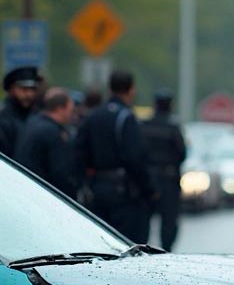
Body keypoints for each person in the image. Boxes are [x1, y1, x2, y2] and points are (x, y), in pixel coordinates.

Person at [76, 70, 156, 242]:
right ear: (131, 90)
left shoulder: (93, 116)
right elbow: (135, 158)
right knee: (128, 244)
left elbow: (80, 151)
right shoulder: (126, 117)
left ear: (110, 89)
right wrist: (149, 189)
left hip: (97, 190)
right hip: (124, 194)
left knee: (102, 243)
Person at [141, 88, 186, 250]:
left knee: (144, 218)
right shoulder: (173, 127)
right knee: (169, 220)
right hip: (168, 179)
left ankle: (142, 247)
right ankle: (166, 249)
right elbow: (182, 153)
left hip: (148, 178)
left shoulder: (144, 125)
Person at [15, 87, 79, 199]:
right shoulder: (53, 133)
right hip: (42, 193)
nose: (72, 115)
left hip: (24, 187)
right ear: (60, 109)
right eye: (70, 110)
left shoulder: (32, 122)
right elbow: (60, 173)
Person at [0, 66, 40, 159]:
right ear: (12, 90)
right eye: (24, 89)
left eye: (32, 89)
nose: (29, 94)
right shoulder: (4, 119)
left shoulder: (37, 116)